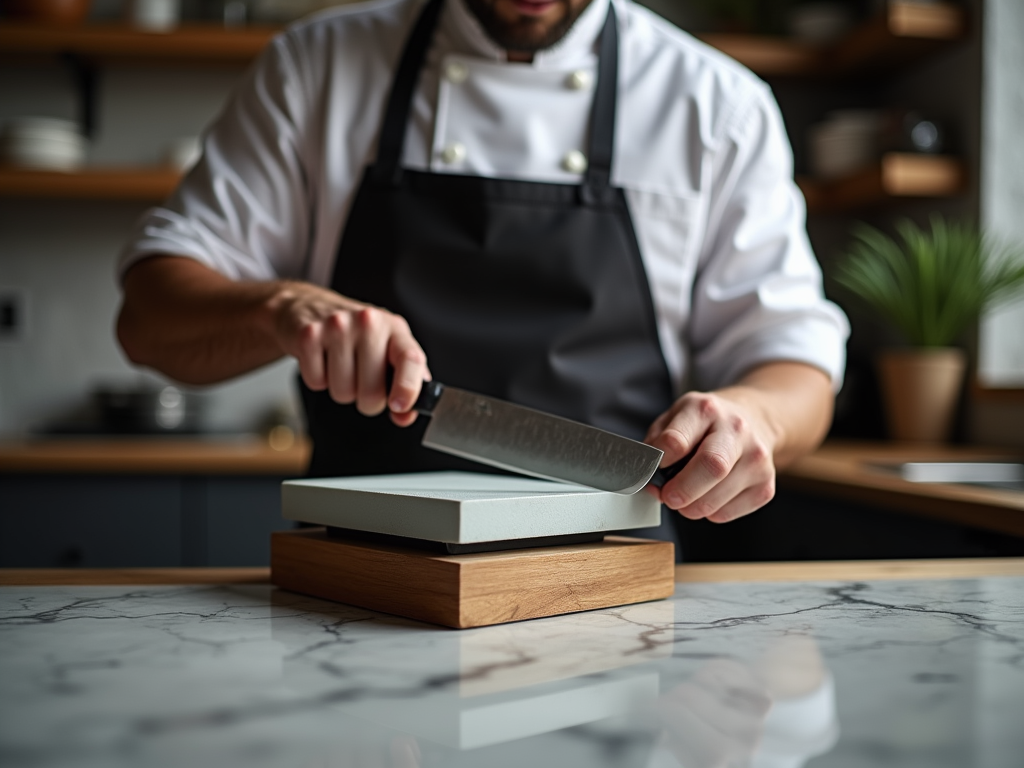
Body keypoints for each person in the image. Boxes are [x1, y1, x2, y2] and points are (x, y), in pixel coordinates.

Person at [116, 0, 848, 533]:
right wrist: (281, 310)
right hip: (362, 578)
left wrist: (754, 417)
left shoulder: (717, 104)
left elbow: (795, 367)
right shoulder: (317, 68)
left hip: (611, 579)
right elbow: (149, 321)